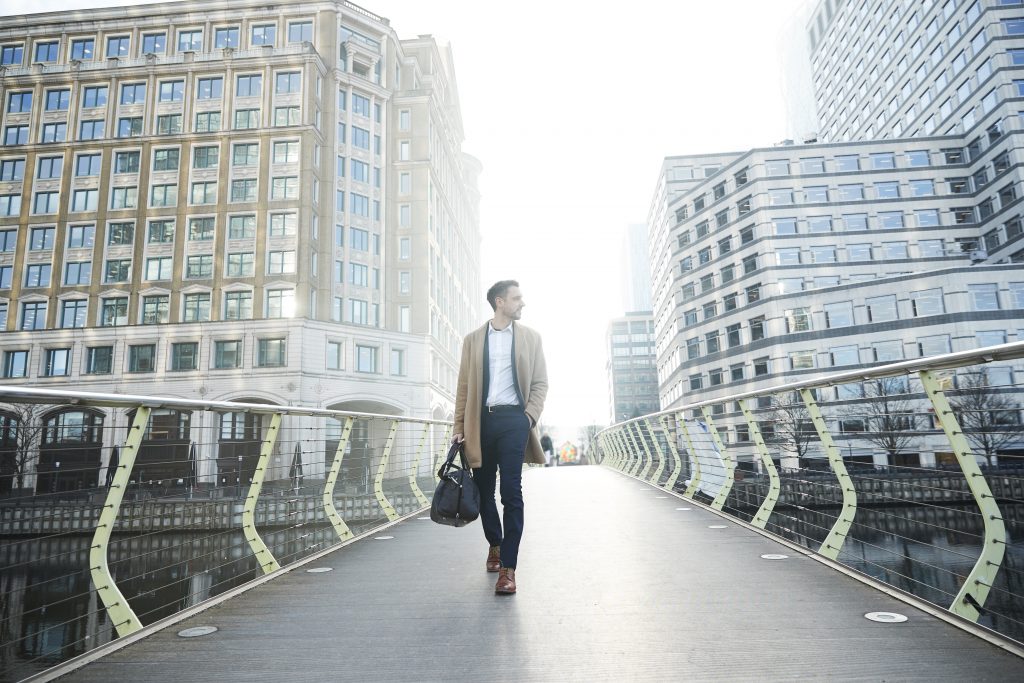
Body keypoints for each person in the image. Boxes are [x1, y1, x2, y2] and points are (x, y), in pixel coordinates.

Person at [453, 280, 548, 595]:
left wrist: (528, 418)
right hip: (480, 422)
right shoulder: (473, 341)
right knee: (483, 491)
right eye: (517, 298)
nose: (522, 303)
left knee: (511, 492)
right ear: (499, 302)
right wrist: (458, 427)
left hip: (513, 422)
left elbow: (540, 383)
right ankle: (495, 542)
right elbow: (464, 387)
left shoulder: (531, 339)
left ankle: (508, 568)